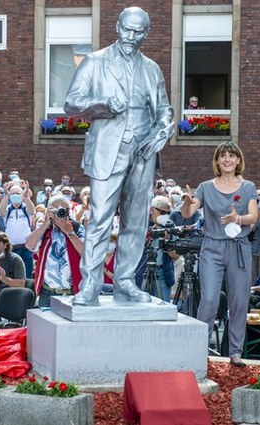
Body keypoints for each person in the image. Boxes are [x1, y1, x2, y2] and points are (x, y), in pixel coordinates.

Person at [64, 6, 175, 305]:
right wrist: (101, 103)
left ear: (146, 33)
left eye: (138, 32)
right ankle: (91, 284)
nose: (131, 36)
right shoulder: (95, 61)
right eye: (127, 29)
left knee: (136, 222)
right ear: (117, 27)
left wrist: (160, 133)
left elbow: (164, 110)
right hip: (107, 150)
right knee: (100, 218)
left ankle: (125, 281)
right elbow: (71, 103)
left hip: (143, 151)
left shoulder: (151, 68)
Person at [181, 141, 257, 367]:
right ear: (216, 161)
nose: (227, 159)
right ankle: (200, 349)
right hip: (212, 248)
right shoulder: (205, 187)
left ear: (238, 160)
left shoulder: (248, 187)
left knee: (239, 302)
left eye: (231, 156)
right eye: (222, 156)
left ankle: (235, 352)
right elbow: (188, 213)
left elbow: (253, 216)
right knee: (209, 299)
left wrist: (238, 219)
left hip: (239, 247)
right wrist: (186, 203)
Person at [25, 195, 85, 307]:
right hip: (47, 292)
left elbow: (85, 253)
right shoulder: (45, 228)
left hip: (72, 292)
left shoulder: (77, 227)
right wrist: (45, 224)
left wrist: (69, 232)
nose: (60, 212)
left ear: (69, 211)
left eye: (64, 209)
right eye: (56, 209)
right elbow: (29, 245)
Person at [135, 196, 176, 301]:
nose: (165, 216)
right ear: (152, 210)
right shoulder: (143, 224)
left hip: (162, 272)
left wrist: (167, 243)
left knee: (163, 304)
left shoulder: (169, 226)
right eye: (163, 212)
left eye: (168, 213)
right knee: (141, 305)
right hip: (143, 271)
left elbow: (175, 255)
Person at [0, 182, 35, 278]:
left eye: (18, 193)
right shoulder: (8, 209)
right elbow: (1, 212)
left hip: (26, 248)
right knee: (11, 275)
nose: (15, 195)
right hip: (11, 248)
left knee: (27, 275)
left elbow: (32, 211)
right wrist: (6, 195)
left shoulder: (25, 208)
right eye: (13, 193)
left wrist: (26, 196)